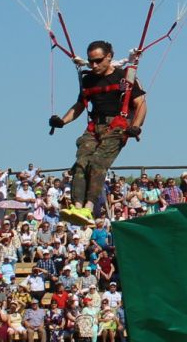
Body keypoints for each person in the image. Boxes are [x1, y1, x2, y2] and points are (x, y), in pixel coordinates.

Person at [49, 41, 147, 215]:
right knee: (81, 163)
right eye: (91, 61)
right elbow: (80, 105)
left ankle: (89, 207)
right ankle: (77, 207)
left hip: (117, 127)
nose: (94, 65)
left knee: (97, 163)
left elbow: (140, 104)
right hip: (94, 127)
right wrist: (62, 121)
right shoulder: (88, 79)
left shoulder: (124, 76)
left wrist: (136, 127)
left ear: (109, 57)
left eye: (98, 60)